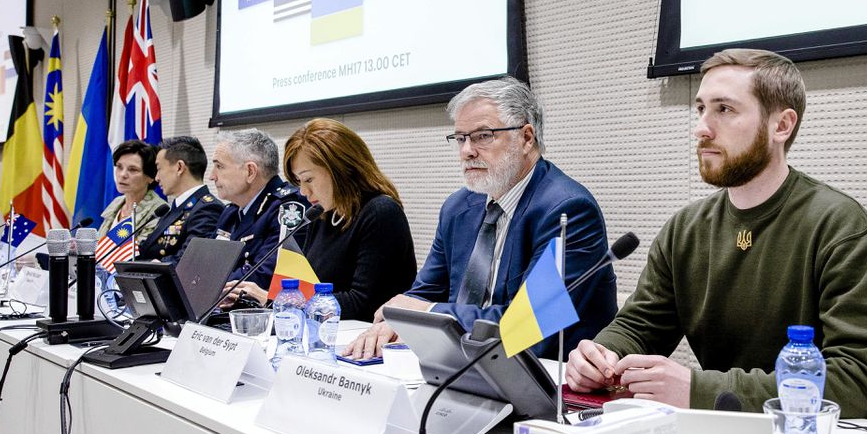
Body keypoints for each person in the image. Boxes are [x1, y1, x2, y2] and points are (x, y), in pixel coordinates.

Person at [566, 48, 867, 418]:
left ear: (781, 126)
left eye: (724, 109)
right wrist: (601, 355)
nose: (701, 128)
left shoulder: (840, 226)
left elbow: (864, 383)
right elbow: (640, 324)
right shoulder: (685, 230)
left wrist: (698, 389)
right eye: (700, 109)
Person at [341, 77, 617, 359]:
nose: (466, 151)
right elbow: (423, 294)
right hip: (462, 362)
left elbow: (529, 327)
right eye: (460, 138)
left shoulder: (567, 210)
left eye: (483, 136)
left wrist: (428, 312)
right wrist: (393, 322)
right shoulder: (458, 207)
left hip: (549, 378)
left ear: (526, 137)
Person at [225, 119, 417, 322]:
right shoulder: (321, 215)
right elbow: (305, 287)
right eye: (299, 182)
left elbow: (364, 304)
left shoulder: (380, 212)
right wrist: (266, 299)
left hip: (367, 340)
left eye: (308, 179)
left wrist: (278, 301)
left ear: (341, 169)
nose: (303, 191)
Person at [209, 129, 308, 292]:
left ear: (250, 171)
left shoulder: (288, 208)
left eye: (219, 166)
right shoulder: (231, 211)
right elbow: (205, 266)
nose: (212, 176)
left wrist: (203, 285)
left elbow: (264, 276)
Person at [137, 136, 223, 265]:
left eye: (159, 169)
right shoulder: (172, 209)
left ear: (179, 167)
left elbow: (188, 261)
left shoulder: (207, 209)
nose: (156, 178)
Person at [98, 140, 168, 249]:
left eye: (133, 170)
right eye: (119, 167)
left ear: (151, 177)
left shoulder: (158, 211)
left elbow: (140, 253)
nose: (122, 175)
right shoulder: (116, 203)